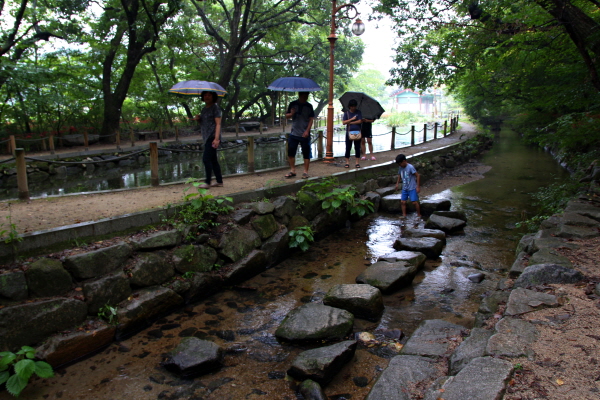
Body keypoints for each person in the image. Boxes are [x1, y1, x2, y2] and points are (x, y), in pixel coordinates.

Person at [193, 91, 223, 188]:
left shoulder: (216, 108)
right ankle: (219, 181)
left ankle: (207, 182)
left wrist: (216, 139)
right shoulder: (204, 109)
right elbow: (204, 124)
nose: (207, 97)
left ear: (213, 97)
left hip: (213, 137)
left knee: (206, 159)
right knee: (213, 160)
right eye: (205, 95)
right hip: (206, 137)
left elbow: (218, 124)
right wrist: (198, 120)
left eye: (209, 95)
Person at [285, 92, 314, 179]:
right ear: (300, 95)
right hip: (294, 133)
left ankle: (305, 172)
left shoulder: (309, 106)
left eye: (307, 96)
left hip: (304, 134)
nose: (306, 97)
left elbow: (311, 119)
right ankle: (292, 170)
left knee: (306, 153)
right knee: (291, 152)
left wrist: (307, 131)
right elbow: (287, 116)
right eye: (304, 96)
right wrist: (292, 113)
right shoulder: (293, 104)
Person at [395, 153, 421, 219]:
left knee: (414, 202)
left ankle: (419, 214)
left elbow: (417, 176)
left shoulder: (410, 167)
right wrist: (397, 183)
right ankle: (404, 215)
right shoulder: (400, 167)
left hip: (412, 187)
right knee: (403, 202)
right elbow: (399, 175)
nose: (400, 165)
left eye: (400, 163)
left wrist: (417, 186)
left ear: (404, 161)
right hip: (405, 187)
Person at [342, 99, 362, 168]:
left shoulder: (358, 112)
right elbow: (344, 122)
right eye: (352, 106)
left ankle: (357, 162)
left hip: (357, 132)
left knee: (357, 148)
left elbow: (360, 121)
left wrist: (350, 122)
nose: (353, 108)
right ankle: (347, 162)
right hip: (349, 132)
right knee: (348, 148)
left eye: (354, 106)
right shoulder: (346, 113)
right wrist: (352, 119)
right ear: (349, 106)